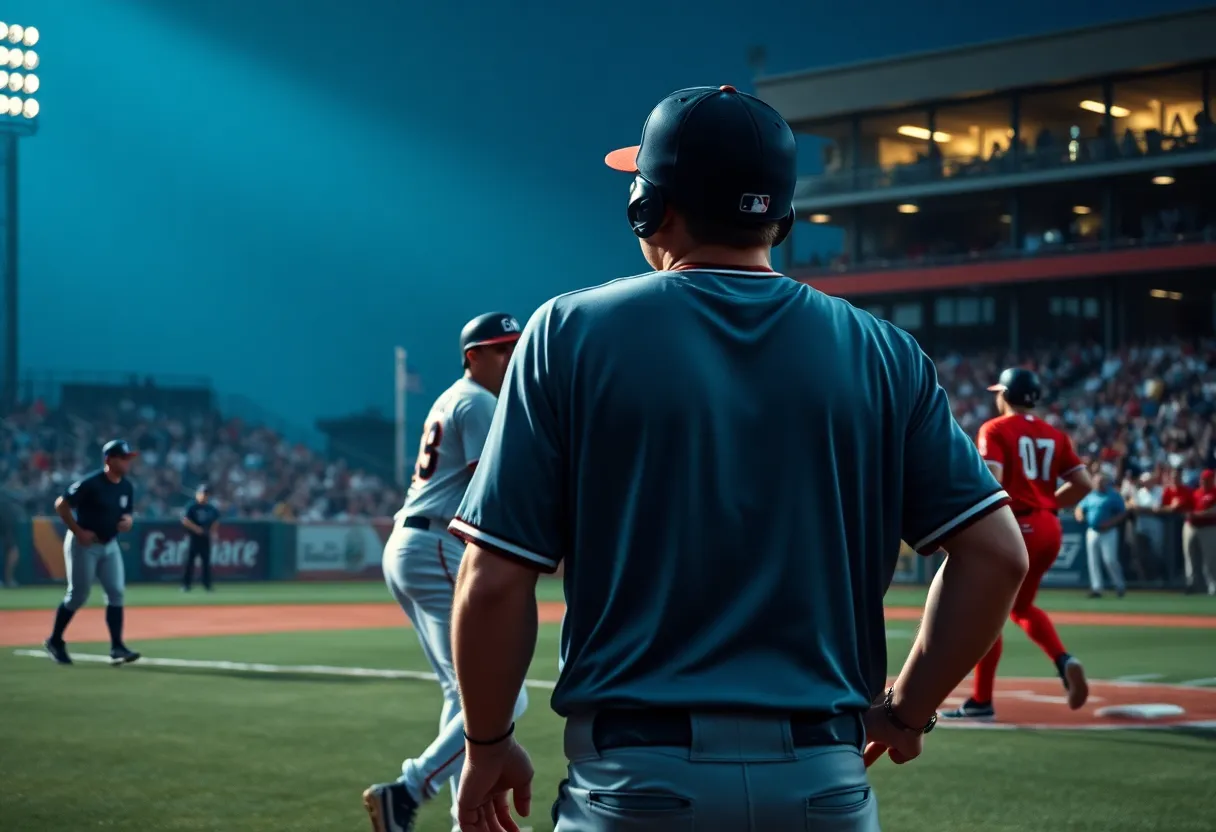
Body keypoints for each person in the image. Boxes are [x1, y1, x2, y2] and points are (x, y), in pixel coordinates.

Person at [444, 84, 1029, 832]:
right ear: (780, 217)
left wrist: (487, 741)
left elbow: (492, 580)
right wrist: (909, 712)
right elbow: (995, 556)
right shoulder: (885, 352)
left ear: (650, 207)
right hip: (826, 783)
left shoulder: (568, 332)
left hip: (636, 781)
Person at [363, 312, 530, 832]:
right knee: (504, 693)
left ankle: (467, 823)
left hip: (417, 541)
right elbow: (492, 487)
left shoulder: (458, 398)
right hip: (435, 544)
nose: (510, 358)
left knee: (462, 694)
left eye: (515, 348)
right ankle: (410, 788)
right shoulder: (479, 403)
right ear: (472, 356)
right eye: (500, 349)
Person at [939, 367, 1093, 722]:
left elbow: (992, 480)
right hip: (1048, 527)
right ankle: (1063, 661)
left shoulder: (995, 428)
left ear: (1005, 395)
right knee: (1021, 607)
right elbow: (1083, 483)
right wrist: (1047, 501)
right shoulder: (1055, 434)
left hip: (1016, 525)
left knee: (984, 611)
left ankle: (981, 700)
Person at [44, 440, 142, 667]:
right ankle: (55, 640)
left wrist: (128, 520)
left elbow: (127, 513)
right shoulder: (91, 483)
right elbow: (61, 504)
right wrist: (77, 531)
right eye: (123, 457)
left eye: (128, 457)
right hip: (84, 545)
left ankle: (117, 647)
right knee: (78, 595)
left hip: (109, 544)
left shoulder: (126, 486)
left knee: (116, 592)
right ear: (109, 460)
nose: (127, 462)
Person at [1075, 472, 1128, 598]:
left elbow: (1122, 512)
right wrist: (1080, 515)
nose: (1098, 484)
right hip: (1092, 531)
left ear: (1106, 482)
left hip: (1108, 531)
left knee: (1110, 560)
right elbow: (1079, 508)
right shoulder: (1090, 495)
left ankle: (1119, 585)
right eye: (1096, 481)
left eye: (1101, 481)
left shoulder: (1113, 495)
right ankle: (1097, 588)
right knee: (1093, 561)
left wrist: (1110, 522)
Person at [1182, 469, 1216, 596]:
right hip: (1191, 526)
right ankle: (1193, 584)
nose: (1204, 481)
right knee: (1190, 558)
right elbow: (1187, 506)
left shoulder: (1214, 492)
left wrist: (1199, 514)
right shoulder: (1196, 493)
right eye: (1202, 479)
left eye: (1207, 479)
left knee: (1210, 559)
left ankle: (1213, 585)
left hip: (1209, 527)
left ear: (1212, 480)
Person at [181, 484, 220, 592]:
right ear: (197, 494)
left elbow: (216, 521)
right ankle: (186, 585)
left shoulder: (210, 508)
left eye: (206, 494)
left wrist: (213, 532)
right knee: (189, 562)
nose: (204, 496)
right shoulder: (192, 506)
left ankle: (207, 585)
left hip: (205, 537)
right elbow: (185, 520)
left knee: (206, 562)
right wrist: (196, 529)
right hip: (193, 537)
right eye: (202, 493)